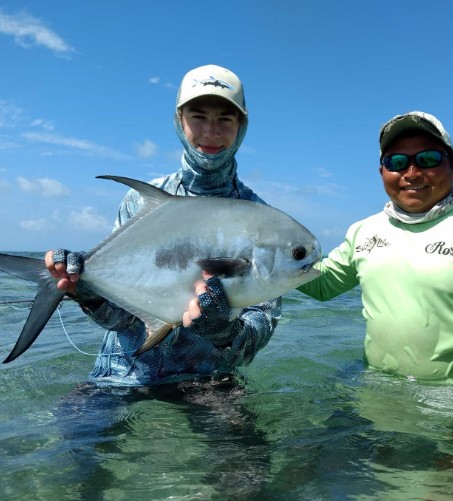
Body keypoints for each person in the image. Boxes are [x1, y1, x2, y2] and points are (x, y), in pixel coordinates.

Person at [45, 64, 281, 387]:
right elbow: (125, 322)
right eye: (198, 116)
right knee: (73, 433)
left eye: (225, 119)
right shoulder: (140, 202)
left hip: (209, 381)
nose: (211, 131)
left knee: (245, 440)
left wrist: (222, 331)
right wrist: (88, 291)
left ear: (242, 126)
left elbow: (255, 337)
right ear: (179, 121)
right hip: (124, 372)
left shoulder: (265, 224)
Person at [298, 111, 453, 381]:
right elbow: (322, 286)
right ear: (382, 171)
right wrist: (259, 253)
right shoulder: (363, 231)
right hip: (379, 392)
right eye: (396, 162)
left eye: (428, 159)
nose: (412, 173)